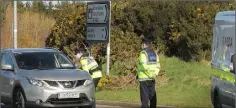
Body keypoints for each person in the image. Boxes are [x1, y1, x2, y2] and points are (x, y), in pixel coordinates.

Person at [137, 40, 161, 108]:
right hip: (152, 78)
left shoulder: (143, 53)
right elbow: (158, 66)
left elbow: (144, 66)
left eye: (142, 44)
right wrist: (155, 74)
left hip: (144, 79)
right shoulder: (155, 53)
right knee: (152, 96)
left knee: (144, 98)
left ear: (144, 45)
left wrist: (149, 74)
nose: (141, 46)